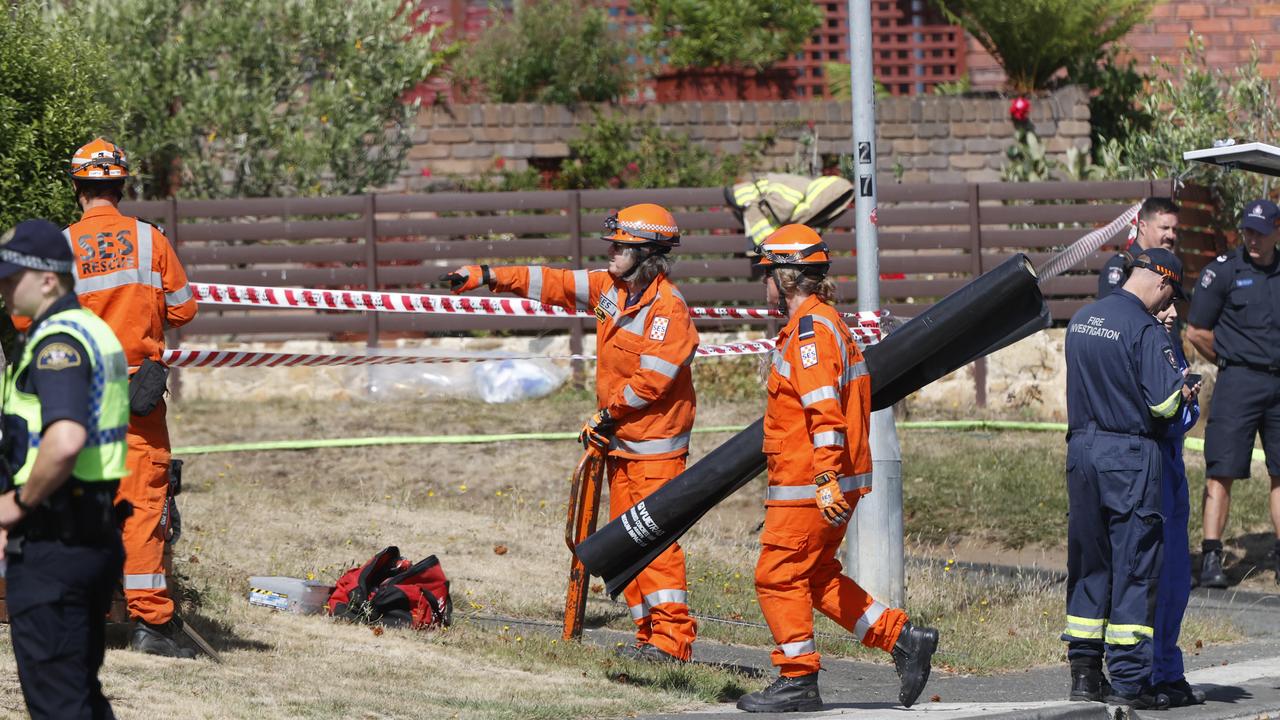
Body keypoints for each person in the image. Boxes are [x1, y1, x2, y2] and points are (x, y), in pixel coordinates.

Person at [442, 203, 699, 662]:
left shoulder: (668, 310)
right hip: (621, 445)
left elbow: (652, 381)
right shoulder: (609, 289)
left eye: (621, 246)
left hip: (655, 453)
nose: (611, 253)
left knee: (656, 547)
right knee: (629, 545)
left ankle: (672, 642)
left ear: (647, 252)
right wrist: (487, 273)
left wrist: (607, 415)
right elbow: (552, 282)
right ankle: (649, 638)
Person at [736, 224, 938, 713]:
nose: (763, 284)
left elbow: (823, 411)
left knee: (777, 576)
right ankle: (903, 638)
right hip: (819, 482)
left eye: (767, 274)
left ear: (785, 279)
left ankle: (798, 679)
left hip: (810, 482)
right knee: (815, 576)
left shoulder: (810, 332)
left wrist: (825, 477)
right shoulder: (824, 325)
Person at [64, 137, 199, 657]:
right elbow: (184, 309)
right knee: (141, 503)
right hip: (134, 396)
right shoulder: (150, 241)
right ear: (121, 186)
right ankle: (150, 626)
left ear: (78, 188)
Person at [0, 220, 129, 719]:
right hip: (87, 534)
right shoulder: (90, 329)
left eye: (13, 278)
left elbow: (65, 438)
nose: (5, 288)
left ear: (49, 279)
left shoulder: (59, 342)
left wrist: (19, 504)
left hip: (55, 541)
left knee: (59, 705)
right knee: (78, 697)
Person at [1063, 247, 1189, 709]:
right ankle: (1129, 683)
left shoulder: (1081, 319)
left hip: (1081, 452)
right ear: (1161, 282)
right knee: (1134, 568)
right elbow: (1165, 406)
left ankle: (1083, 675)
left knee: (1089, 566)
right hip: (1130, 459)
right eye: (1170, 295)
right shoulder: (1144, 329)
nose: (1168, 307)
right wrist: (1185, 390)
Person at [1186, 198, 1280, 588]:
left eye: (1260, 231)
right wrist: (1231, 359)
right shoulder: (1223, 272)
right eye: (1247, 231)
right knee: (1221, 470)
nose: (1252, 238)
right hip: (1237, 381)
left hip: (1278, 385)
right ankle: (1212, 556)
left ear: (1277, 230)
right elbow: (1196, 332)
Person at [1150, 300, 1206, 707]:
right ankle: (1145, 672)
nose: (1171, 313)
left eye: (1174, 304)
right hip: (1146, 470)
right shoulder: (1137, 340)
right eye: (1164, 303)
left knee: (1175, 579)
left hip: (1172, 470)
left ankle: (1169, 669)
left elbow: (1183, 414)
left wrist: (1187, 398)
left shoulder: (1168, 341)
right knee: (1149, 577)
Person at [1098, 197, 1179, 298]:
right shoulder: (1122, 265)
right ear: (1143, 227)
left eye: (1174, 229)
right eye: (1165, 228)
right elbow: (1107, 311)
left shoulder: (1168, 266)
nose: (1171, 235)